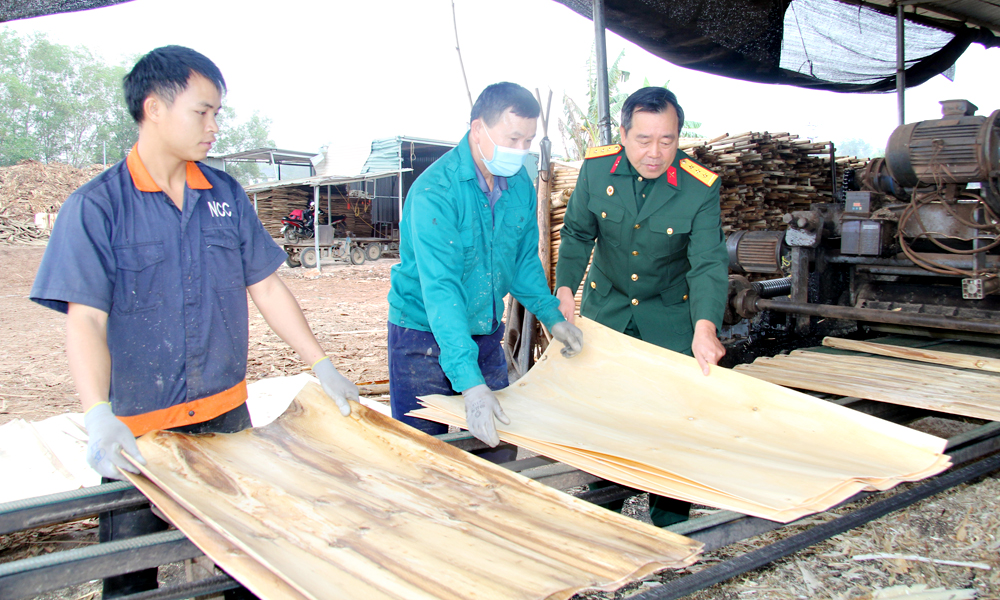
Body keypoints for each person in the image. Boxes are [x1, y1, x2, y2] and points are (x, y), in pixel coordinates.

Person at [29, 45, 358, 599]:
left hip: (225, 417)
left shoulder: (225, 195)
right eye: (202, 112)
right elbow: (84, 320)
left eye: (217, 113)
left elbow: (266, 284)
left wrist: (320, 363)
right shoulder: (97, 207)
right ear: (154, 108)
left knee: (243, 561)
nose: (214, 126)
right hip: (138, 431)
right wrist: (97, 415)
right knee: (131, 574)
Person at [553, 86, 728, 527]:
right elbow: (576, 235)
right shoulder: (596, 171)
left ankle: (671, 521)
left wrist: (705, 326)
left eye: (666, 141)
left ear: (678, 138)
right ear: (624, 134)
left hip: (668, 315)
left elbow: (707, 262)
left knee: (671, 419)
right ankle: (604, 509)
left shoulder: (699, 187)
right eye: (643, 140)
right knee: (603, 411)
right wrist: (565, 291)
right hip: (607, 307)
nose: (655, 153)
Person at [387, 82, 583, 457]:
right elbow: (442, 292)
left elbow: (523, 262)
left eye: (528, 141)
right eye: (513, 139)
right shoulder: (436, 192)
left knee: (497, 449)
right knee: (422, 453)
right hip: (421, 335)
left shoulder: (519, 186)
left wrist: (552, 317)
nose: (521, 151)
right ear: (478, 129)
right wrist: (470, 383)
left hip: (483, 331)